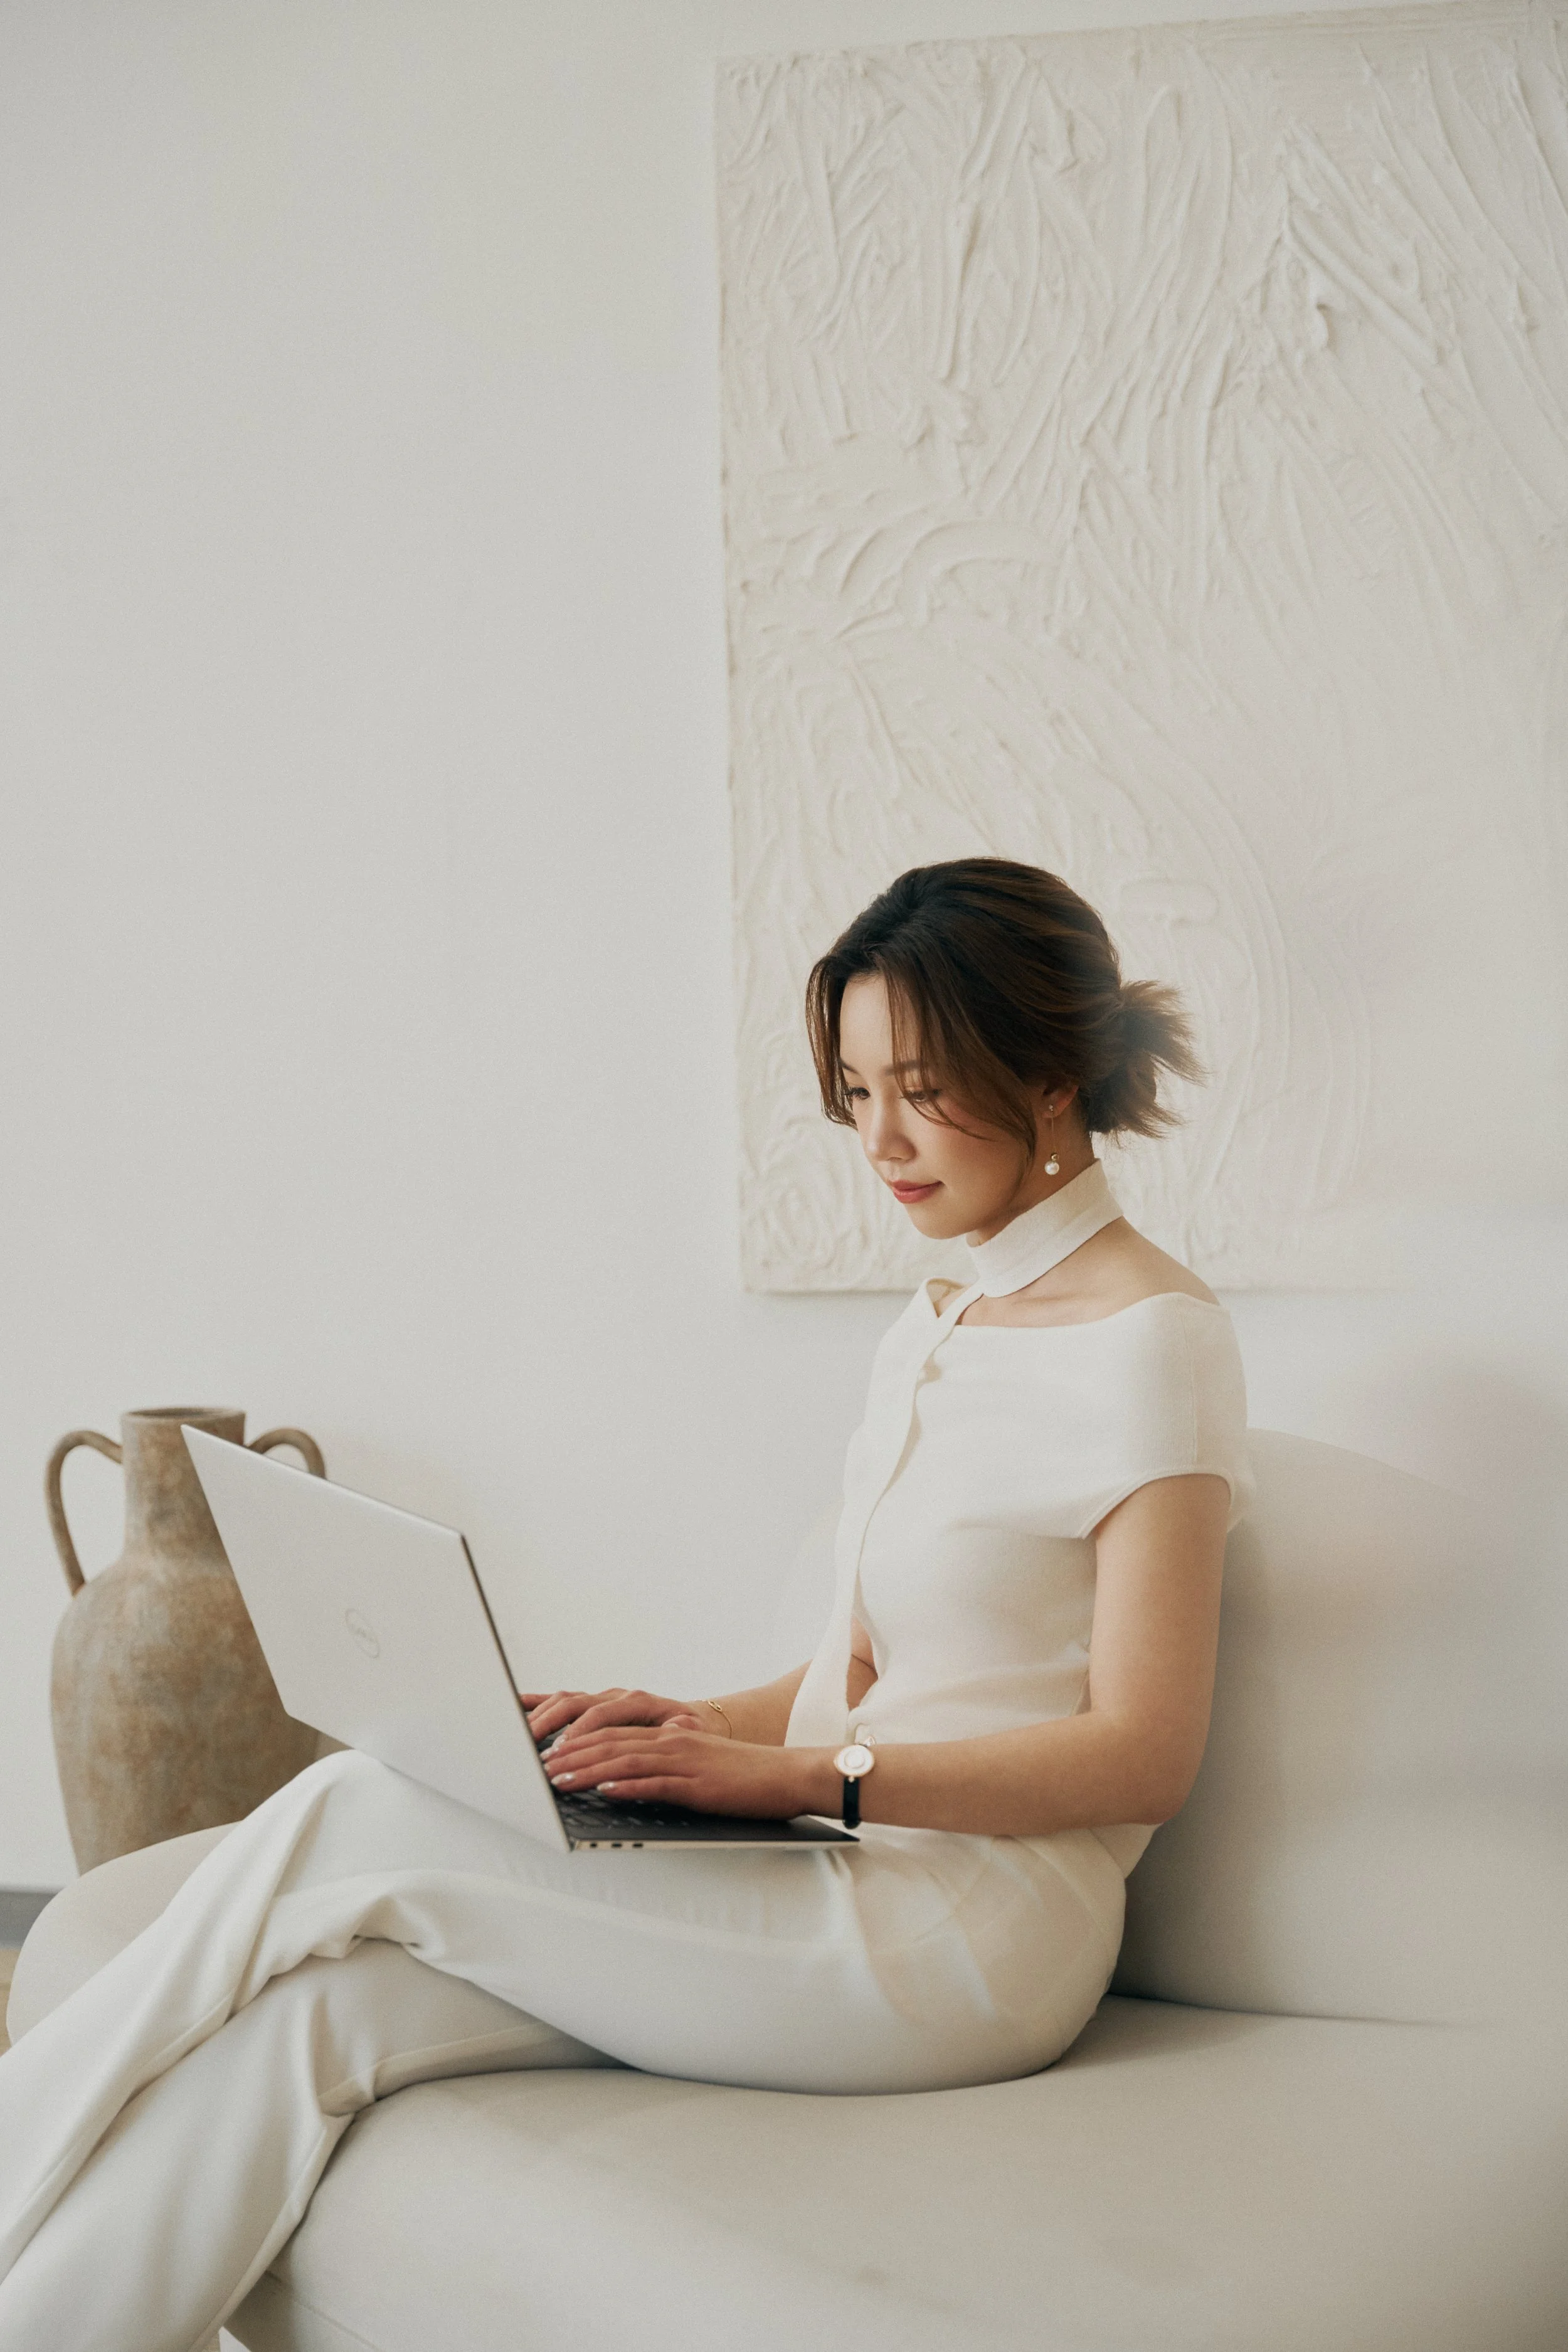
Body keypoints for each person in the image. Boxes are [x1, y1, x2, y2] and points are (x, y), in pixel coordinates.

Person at [0, 856, 1254, 2352]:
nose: (881, 1141)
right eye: (854, 1093)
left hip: (970, 1939)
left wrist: (794, 1777)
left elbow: (1142, 1751)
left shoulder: (1151, 1342)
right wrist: (678, 1726)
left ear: (1049, 1071)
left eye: (920, 1088)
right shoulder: (944, 1317)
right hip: (834, 1861)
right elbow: (872, 1658)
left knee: (356, 1815)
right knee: (319, 2022)